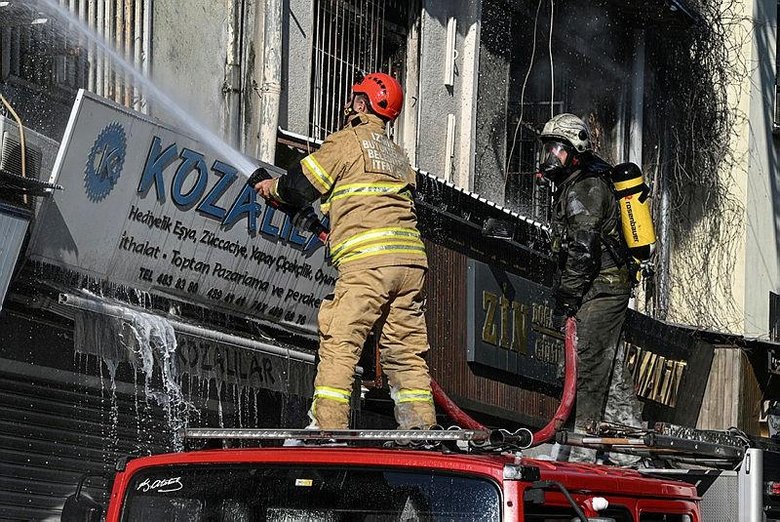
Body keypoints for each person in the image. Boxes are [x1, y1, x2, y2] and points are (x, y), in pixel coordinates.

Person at [253, 72, 436, 431]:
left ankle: (327, 426)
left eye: (354, 98)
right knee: (405, 350)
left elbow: (300, 185)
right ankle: (419, 429)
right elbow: (368, 204)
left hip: (369, 264)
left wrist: (271, 188)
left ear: (362, 104)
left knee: (341, 339)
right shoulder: (398, 157)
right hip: (411, 265)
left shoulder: (348, 141)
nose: (348, 105)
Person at [538, 113, 643, 465]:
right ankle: (629, 451)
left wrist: (566, 300)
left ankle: (582, 452)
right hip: (599, 288)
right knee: (608, 369)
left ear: (576, 151)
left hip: (602, 289)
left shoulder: (586, 187)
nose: (549, 157)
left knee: (589, 366)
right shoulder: (576, 184)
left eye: (557, 149)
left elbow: (582, 250)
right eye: (547, 148)